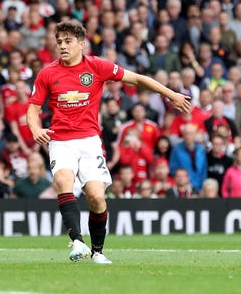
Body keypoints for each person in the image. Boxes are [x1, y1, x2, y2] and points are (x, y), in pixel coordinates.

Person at [27, 20, 191, 264]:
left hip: (89, 140)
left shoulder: (97, 67)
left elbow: (137, 79)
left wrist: (171, 95)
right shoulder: (47, 73)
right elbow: (33, 108)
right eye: (59, 41)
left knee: (96, 197)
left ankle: (97, 251)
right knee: (63, 180)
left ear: (81, 44)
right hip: (60, 140)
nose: (62, 46)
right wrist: (35, 128)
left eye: (68, 41)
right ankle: (76, 241)